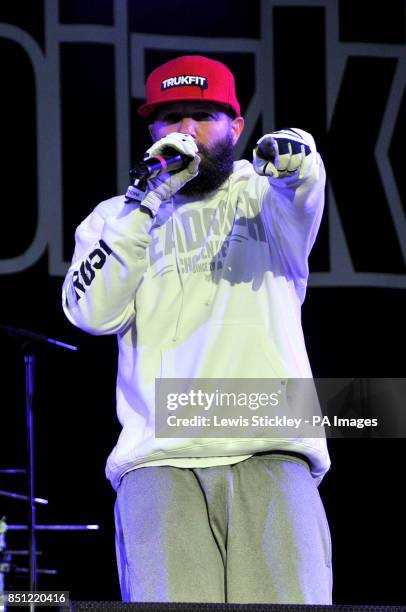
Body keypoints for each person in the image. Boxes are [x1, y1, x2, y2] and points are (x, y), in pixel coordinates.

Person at [62, 55, 332, 604]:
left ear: (236, 126)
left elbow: (304, 182)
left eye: (203, 115)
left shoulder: (263, 194)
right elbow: (89, 312)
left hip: (272, 450)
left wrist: (299, 151)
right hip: (160, 465)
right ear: (152, 132)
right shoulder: (116, 217)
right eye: (171, 118)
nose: (186, 131)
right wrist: (148, 200)